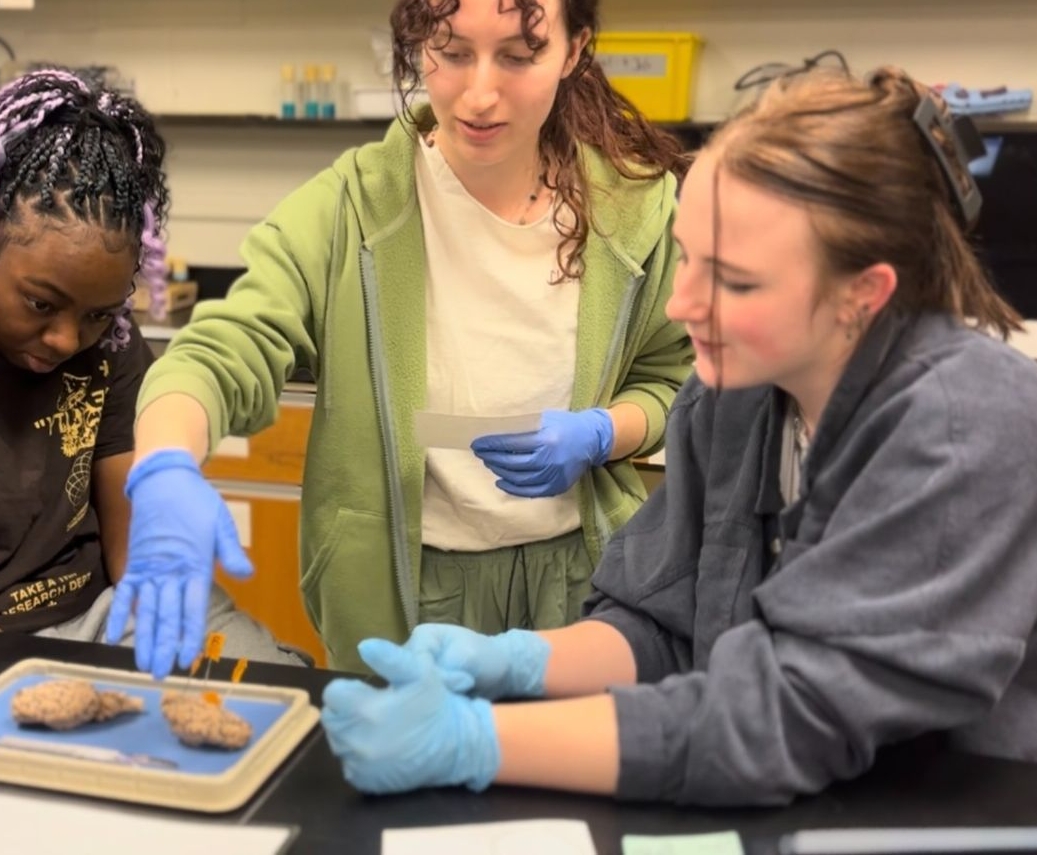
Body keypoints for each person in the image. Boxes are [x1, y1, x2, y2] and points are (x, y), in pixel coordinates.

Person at [318, 65, 1037, 805]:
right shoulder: (740, 394)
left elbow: (784, 715)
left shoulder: (965, 425)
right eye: (687, 256)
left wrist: (475, 740)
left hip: (944, 809)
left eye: (734, 281)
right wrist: (518, 660)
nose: (680, 304)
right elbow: (665, 623)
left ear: (865, 292)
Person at [115, 0, 693, 677]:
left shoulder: (634, 209)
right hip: (403, 590)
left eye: (517, 54)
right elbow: (222, 350)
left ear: (572, 52)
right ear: (419, 48)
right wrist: (163, 464)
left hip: (582, 578)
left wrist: (603, 430)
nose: (480, 94)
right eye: (451, 53)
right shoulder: (351, 208)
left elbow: (673, 379)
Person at [0, 69, 306, 669]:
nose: (68, 338)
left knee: (276, 686)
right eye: (40, 304)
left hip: (104, 614)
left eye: (97, 312)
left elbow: (130, 558)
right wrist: (52, 682)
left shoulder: (107, 335)